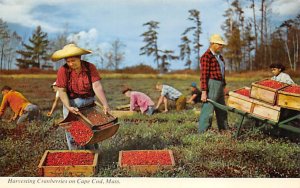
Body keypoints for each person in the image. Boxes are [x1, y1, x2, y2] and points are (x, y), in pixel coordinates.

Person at [51, 43, 111, 150]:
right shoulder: (63, 70)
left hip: (89, 104)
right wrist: (69, 107)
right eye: (68, 61)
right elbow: (62, 91)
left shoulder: (90, 67)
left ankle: (93, 157)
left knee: (91, 131)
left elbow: (96, 86)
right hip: (72, 105)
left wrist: (105, 104)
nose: (70, 63)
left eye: (73, 60)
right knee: (74, 134)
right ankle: (77, 157)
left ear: (79, 58)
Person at [198, 34, 228, 133]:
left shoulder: (220, 57)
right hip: (212, 84)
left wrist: (224, 86)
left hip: (219, 85)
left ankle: (224, 130)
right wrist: (204, 91)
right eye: (219, 44)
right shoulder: (206, 57)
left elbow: (222, 73)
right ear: (212, 43)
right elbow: (204, 75)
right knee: (208, 109)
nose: (221, 46)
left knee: (222, 109)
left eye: (221, 44)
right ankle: (203, 132)